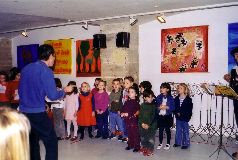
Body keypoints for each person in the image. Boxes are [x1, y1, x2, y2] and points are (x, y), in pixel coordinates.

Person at [18, 44, 73, 160]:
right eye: (54, 56)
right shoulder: (46, 70)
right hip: (37, 113)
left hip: (23, 112)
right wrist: (64, 91)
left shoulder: (26, 68)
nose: (54, 59)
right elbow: (53, 96)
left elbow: (23, 90)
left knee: (32, 141)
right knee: (51, 141)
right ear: (50, 55)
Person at [224, 47, 238, 158]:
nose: (237, 56)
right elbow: (233, 85)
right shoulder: (234, 68)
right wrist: (228, 79)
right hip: (236, 100)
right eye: (236, 55)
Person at [121, 84, 140, 152]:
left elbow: (137, 112)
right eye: (129, 92)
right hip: (127, 121)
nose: (130, 93)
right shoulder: (127, 101)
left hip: (133, 121)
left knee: (135, 134)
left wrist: (128, 114)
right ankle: (130, 144)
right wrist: (122, 113)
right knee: (129, 133)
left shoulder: (136, 103)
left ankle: (137, 146)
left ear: (136, 94)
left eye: (132, 92)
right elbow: (123, 109)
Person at [155, 82, 175, 150]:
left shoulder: (170, 98)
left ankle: (168, 143)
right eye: (161, 88)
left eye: (163, 88)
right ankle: (160, 143)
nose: (161, 89)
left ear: (167, 89)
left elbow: (173, 107)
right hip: (160, 116)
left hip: (167, 116)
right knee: (160, 130)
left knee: (167, 130)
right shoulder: (158, 97)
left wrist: (167, 107)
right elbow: (156, 106)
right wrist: (159, 107)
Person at [173, 83, 193, 149]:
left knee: (185, 131)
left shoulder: (188, 99)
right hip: (178, 117)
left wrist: (183, 114)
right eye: (178, 88)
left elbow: (189, 110)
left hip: (185, 118)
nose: (179, 89)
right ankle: (178, 142)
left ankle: (185, 143)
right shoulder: (176, 98)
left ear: (185, 90)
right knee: (178, 130)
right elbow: (175, 107)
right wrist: (176, 112)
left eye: (181, 88)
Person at [138, 89, 157, 156]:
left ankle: (150, 149)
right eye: (149, 97)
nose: (151, 98)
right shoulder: (142, 105)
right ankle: (144, 147)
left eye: (152, 97)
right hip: (142, 126)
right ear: (145, 98)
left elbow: (154, 117)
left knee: (150, 139)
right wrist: (142, 124)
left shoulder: (154, 106)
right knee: (143, 138)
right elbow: (140, 116)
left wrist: (149, 125)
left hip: (151, 127)